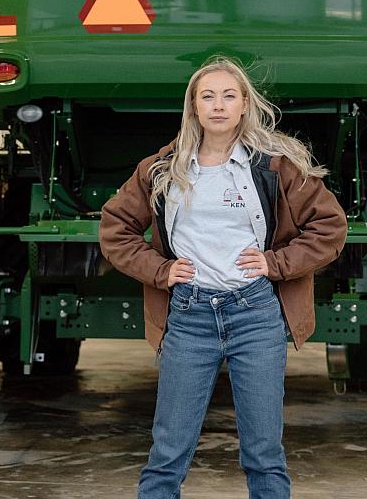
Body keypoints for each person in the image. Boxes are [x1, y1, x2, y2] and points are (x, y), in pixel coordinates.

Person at [98, 55, 347, 498]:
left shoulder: (276, 165)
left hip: (255, 313)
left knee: (264, 451)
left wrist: (276, 263)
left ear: (245, 105)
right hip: (189, 316)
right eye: (207, 96)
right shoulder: (161, 168)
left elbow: (330, 226)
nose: (218, 105)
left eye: (229, 96)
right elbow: (116, 229)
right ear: (193, 107)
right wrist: (160, 270)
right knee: (168, 449)